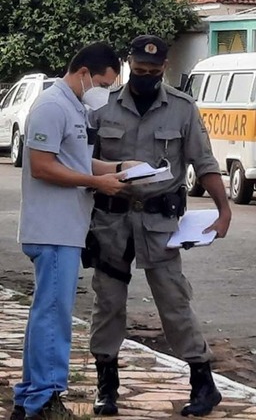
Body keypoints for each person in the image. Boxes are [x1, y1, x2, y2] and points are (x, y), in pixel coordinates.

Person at [86, 35, 232, 417]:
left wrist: (224, 210)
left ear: (164, 67)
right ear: (129, 63)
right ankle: (107, 389)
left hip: (159, 223)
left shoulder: (183, 109)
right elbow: (83, 163)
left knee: (174, 302)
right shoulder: (103, 109)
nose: (146, 76)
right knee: (108, 304)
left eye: (153, 71)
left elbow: (205, 162)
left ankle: (203, 385)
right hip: (111, 222)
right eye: (139, 69)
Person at [12, 43, 132, 420]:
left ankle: (29, 395)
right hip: (52, 228)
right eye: (101, 82)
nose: (102, 91)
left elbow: (76, 159)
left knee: (44, 314)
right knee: (53, 315)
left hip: (64, 228)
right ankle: (45, 399)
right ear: (83, 72)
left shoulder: (72, 108)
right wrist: (95, 183)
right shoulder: (51, 106)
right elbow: (42, 167)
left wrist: (117, 168)